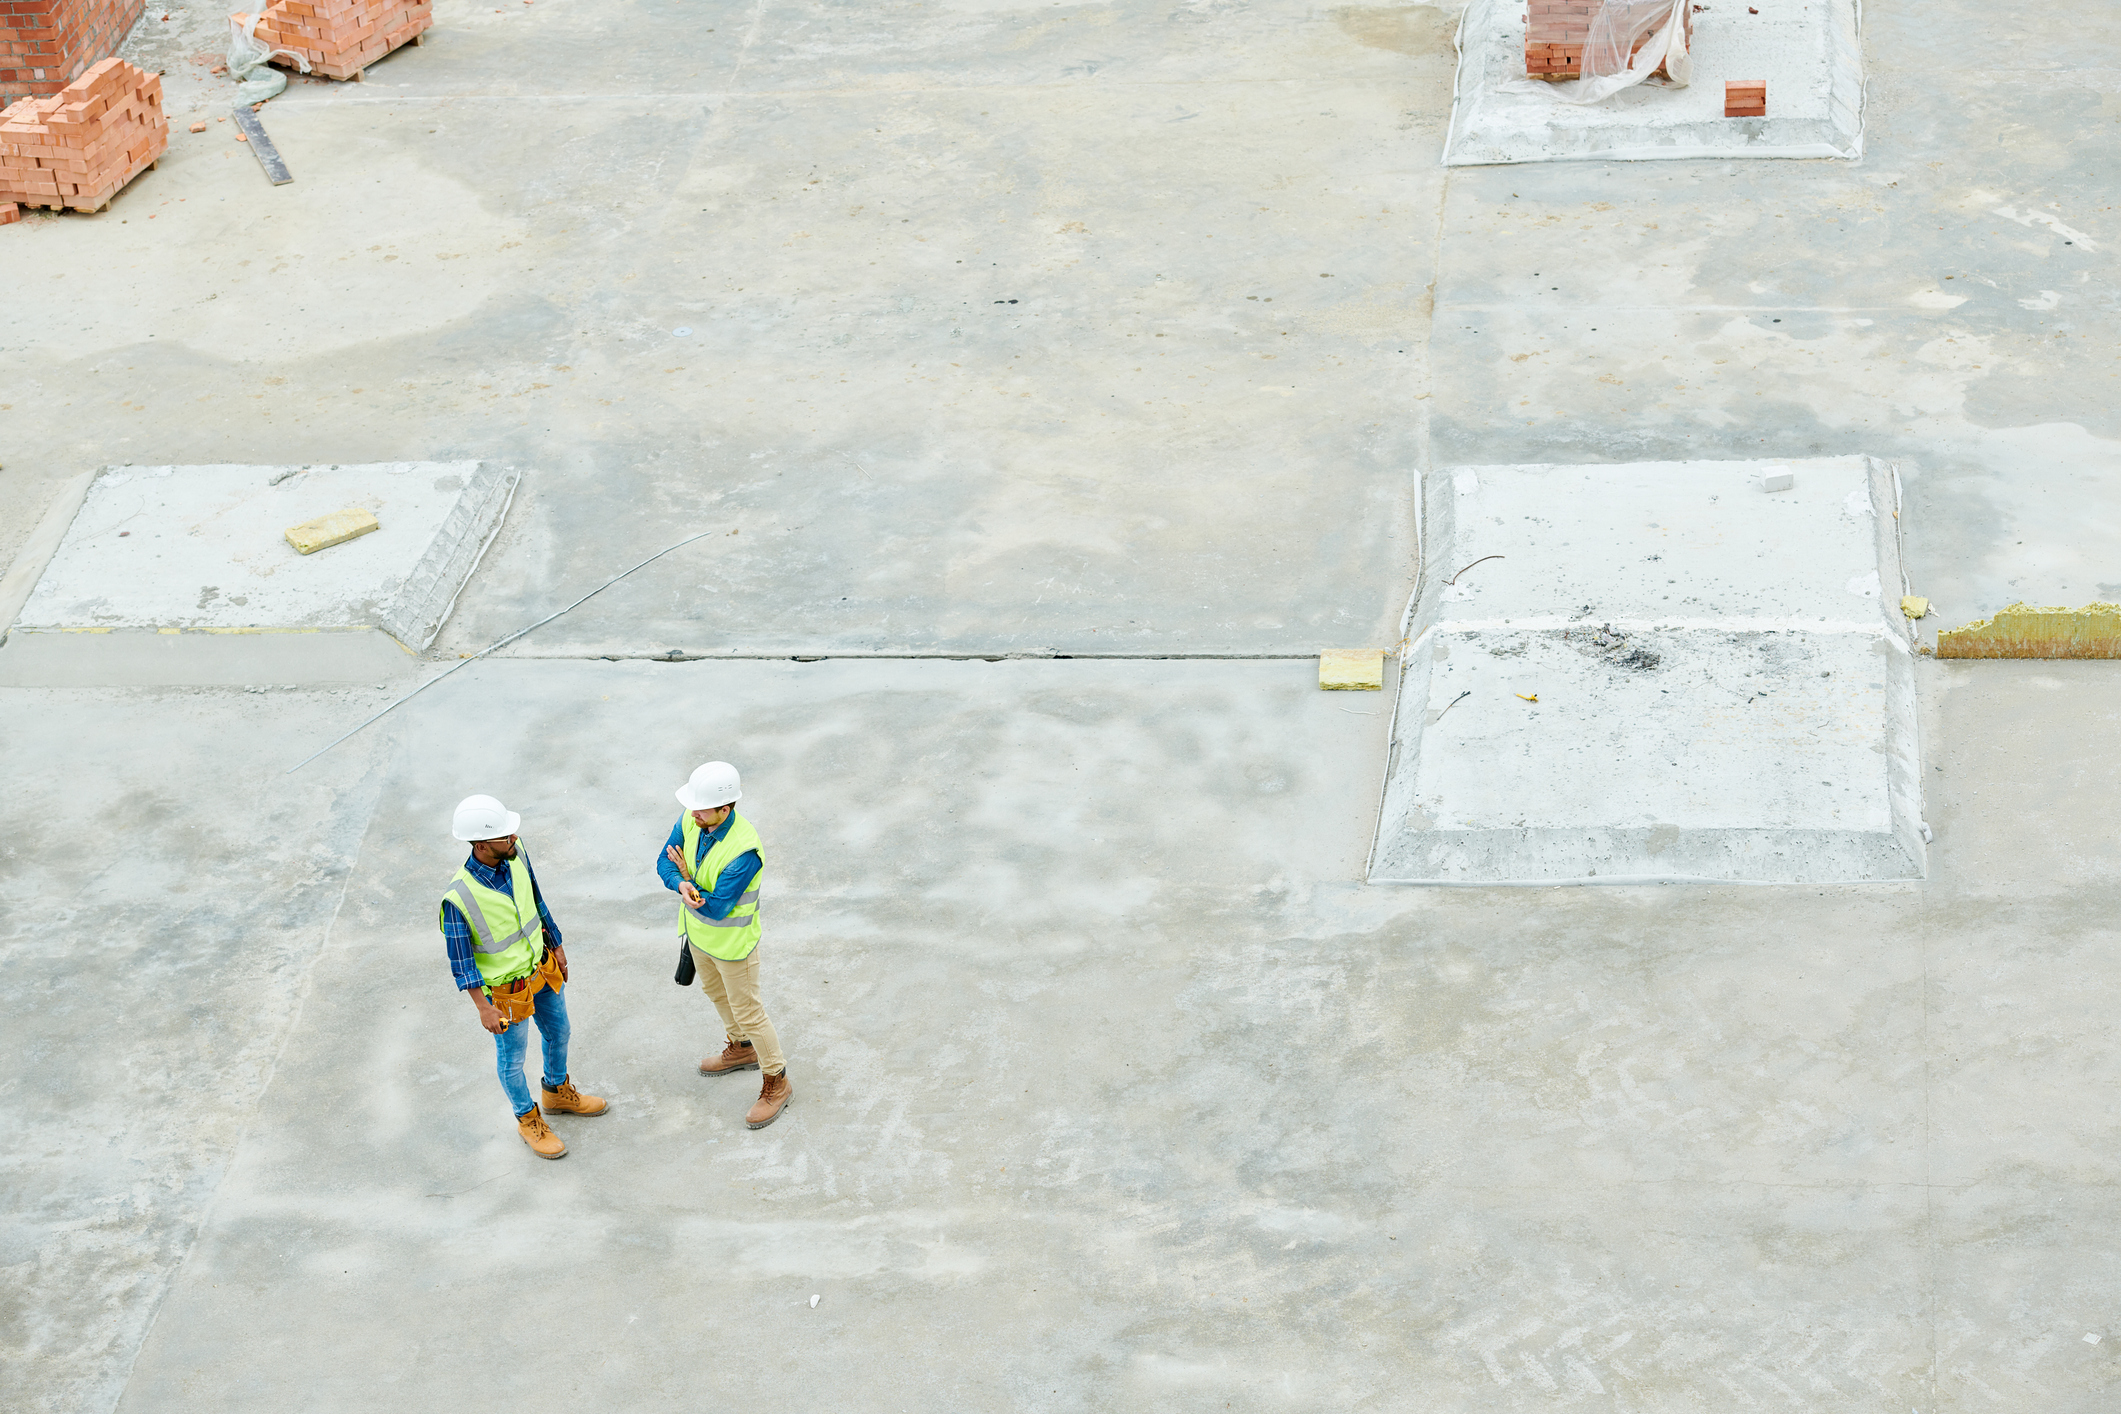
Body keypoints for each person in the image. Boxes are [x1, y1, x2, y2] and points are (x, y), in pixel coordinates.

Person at [440, 794, 608, 1159]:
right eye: (505, 837)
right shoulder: (459, 898)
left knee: (559, 1031)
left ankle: (556, 1092)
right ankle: (527, 1118)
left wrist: (557, 944)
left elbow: (536, 899)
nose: (514, 839)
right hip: (505, 993)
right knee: (512, 1059)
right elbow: (462, 963)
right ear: (482, 845)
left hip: (542, 968)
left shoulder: (517, 856)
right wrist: (482, 1007)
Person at [658, 761, 791, 1129]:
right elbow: (664, 857)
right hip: (699, 937)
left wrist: (686, 875)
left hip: (733, 946)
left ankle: (777, 1081)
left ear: (725, 809)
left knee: (749, 1012)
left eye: (700, 807)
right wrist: (679, 883)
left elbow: (716, 907)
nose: (692, 812)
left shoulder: (744, 851)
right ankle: (741, 1048)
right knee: (715, 995)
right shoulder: (692, 817)